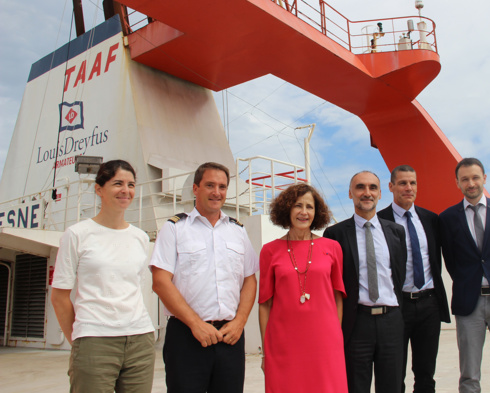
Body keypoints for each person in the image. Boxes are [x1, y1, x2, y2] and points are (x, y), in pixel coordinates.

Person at [149, 162, 258, 393]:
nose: (216, 192)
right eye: (210, 185)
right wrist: (196, 324)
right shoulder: (175, 228)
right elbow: (160, 282)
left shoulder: (238, 231)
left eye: (222, 186)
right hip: (187, 337)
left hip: (230, 337)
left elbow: (249, 279)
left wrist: (239, 322)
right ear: (196, 188)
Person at [51, 159, 156, 393]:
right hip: (94, 338)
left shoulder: (140, 237)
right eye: (117, 183)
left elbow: (134, 288)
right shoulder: (77, 235)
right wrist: (79, 339)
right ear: (99, 189)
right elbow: (59, 297)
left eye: (131, 184)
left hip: (140, 338)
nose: (125, 191)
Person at [439, 157, 490, 393]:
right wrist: (470, 283)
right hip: (469, 303)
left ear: (484, 179)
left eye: (475, 177)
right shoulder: (448, 218)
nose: (471, 183)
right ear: (457, 183)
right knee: (469, 376)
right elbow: (451, 262)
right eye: (465, 179)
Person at [259, 183, 347, 393]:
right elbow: (264, 304)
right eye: (298, 206)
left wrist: (336, 337)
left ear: (317, 213)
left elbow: (338, 297)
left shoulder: (332, 248)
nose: (304, 212)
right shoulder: (269, 251)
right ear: (287, 208)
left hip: (325, 341)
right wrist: (265, 352)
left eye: (310, 207)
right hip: (283, 343)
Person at [323, 170, 407, 393]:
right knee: (354, 387)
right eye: (360, 187)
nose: (366, 193)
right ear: (350, 193)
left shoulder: (397, 232)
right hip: (356, 323)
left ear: (380, 193)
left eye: (372, 188)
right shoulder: (335, 235)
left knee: (392, 386)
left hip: (392, 321)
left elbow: (398, 276)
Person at [377, 165, 450, 393]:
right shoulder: (379, 221)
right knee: (393, 373)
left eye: (413, 183)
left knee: (426, 373)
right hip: (397, 307)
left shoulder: (431, 219)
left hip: (429, 304)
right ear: (391, 187)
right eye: (402, 183)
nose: (408, 188)